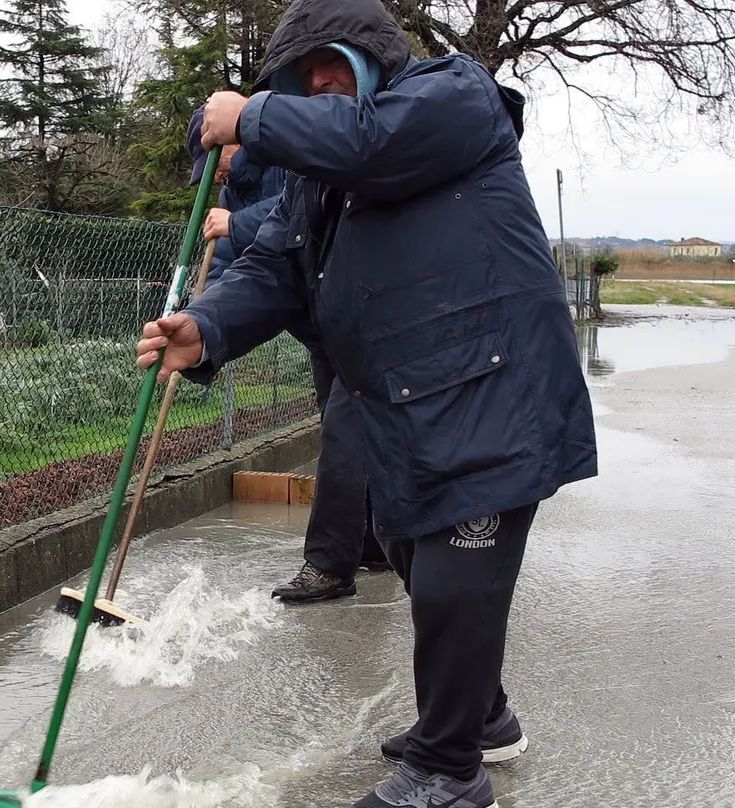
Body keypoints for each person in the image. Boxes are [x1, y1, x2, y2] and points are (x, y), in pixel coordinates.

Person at [136, 0, 598, 805]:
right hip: (410, 407)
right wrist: (203, 330)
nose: (316, 83)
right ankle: (480, 716)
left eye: (332, 65)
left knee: (458, 571)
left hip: (492, 396)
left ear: (377, 59)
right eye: (298, 76)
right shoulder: (318, 188)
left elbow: (368, 140)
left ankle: (450, 772)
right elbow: (274, 267)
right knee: (408, 545)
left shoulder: (452, 98)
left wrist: (252, 115)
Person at [188, 107, 391, 605]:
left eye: (218, 156)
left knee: (345, 438)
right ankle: (372, 544)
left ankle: (330, 564)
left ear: (237, 138)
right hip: (318, 326)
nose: (215, 172)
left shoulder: (285, 158)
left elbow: (304, 210)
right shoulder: (232, 192)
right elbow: (242, 268)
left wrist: (236, 222)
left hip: (358, 314)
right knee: (348, 432)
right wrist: (201, 325)